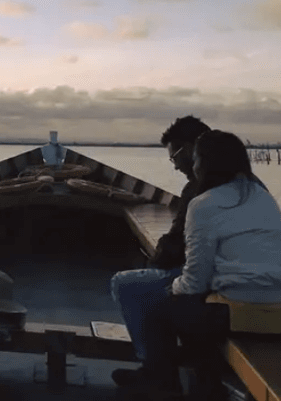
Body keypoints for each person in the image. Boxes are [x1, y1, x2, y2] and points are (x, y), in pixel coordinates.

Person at [133, 130, 281, 400]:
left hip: (248, 316)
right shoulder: (261, 195)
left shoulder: (203, 205)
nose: (193, 166)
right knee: (201, 312)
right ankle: (204, 386)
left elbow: (195, 281)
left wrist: (173, 287)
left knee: (161, 308)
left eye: (196, 160)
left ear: (205, 164)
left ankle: (164, 385)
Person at [109, 115, 210, 384]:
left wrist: (157, 259)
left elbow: (176, 245)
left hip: (213, 281)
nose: (175, 166)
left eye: (174, 156)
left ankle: (156, 372)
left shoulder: (198, 190)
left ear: (191, 149)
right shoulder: (249, 186)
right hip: (230, 277)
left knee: (128, 286)